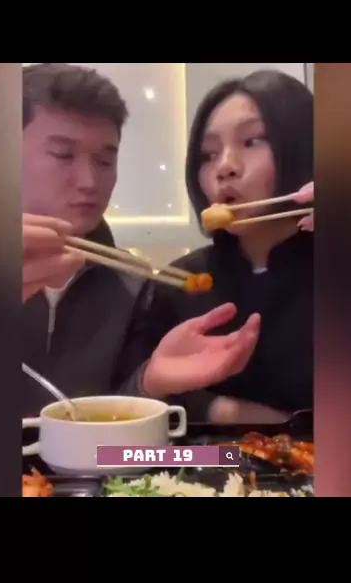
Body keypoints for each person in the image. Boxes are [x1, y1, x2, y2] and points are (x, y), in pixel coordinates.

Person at [22, 64, 261, 421]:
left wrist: (149, 383)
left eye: (105, 160)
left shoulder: (132, 282)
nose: (89, 181)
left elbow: (114, 442)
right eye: (62, 155)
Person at [132, 69, 314, 428]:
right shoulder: (179, 281)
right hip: (204, 460)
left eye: (252, 141)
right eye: (208, 154)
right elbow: (130, 402)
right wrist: (221, 411)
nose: (225, 167)